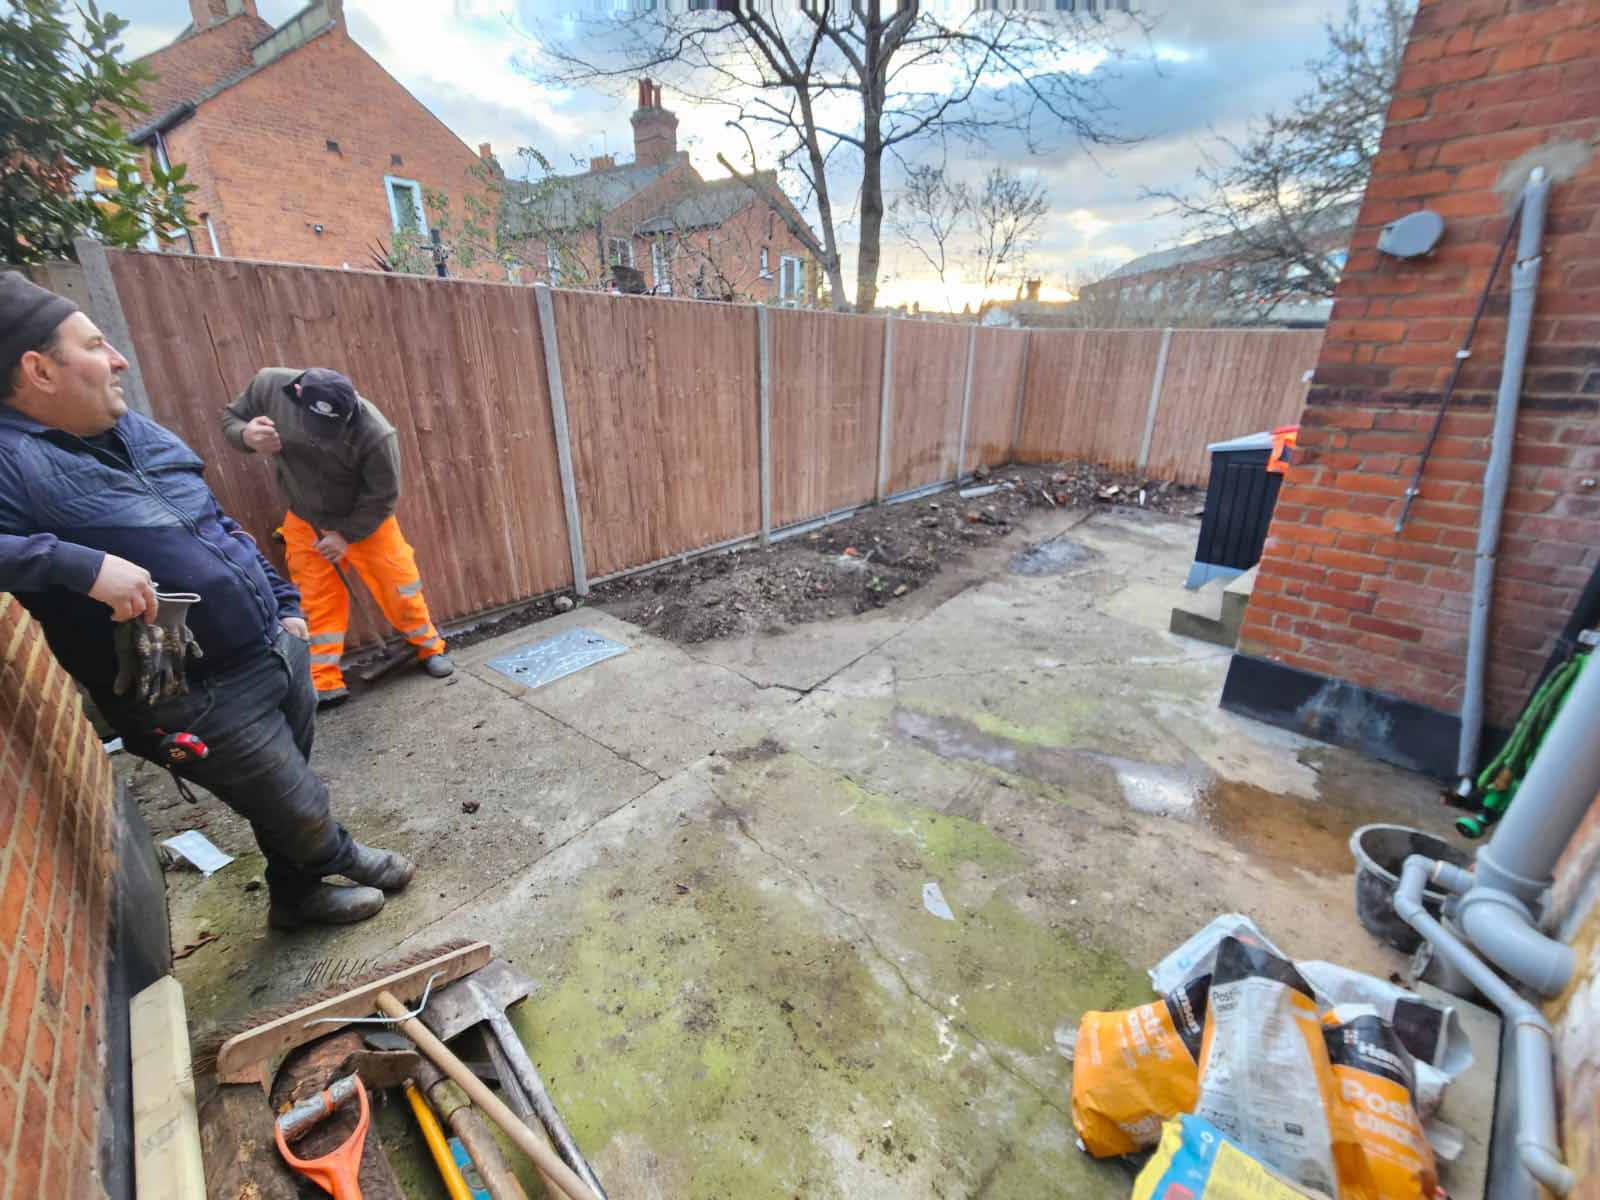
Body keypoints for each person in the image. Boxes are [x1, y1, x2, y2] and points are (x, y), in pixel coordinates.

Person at [0, 273, 413, 930]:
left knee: (280, 792)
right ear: (39, 370)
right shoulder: (11, 461)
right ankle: (342, 856)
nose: (119, 360)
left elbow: (215, 521)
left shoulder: (131, 429)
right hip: (186, 689)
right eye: (96, 345)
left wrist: (287, 604)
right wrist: (78, 565)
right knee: (295, 801)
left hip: (271, 643)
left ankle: (296, 899)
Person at [222, 367, 453, 708]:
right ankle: (324, 678)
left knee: (400, 587)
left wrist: (345, 536)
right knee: (316, 600)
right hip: (306, 519)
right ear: (298, 395)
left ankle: (429, 648)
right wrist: (245, 435)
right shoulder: (269, 386)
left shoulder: (375, 433)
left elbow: (384, 496)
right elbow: (231, 420)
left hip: (365, 520)